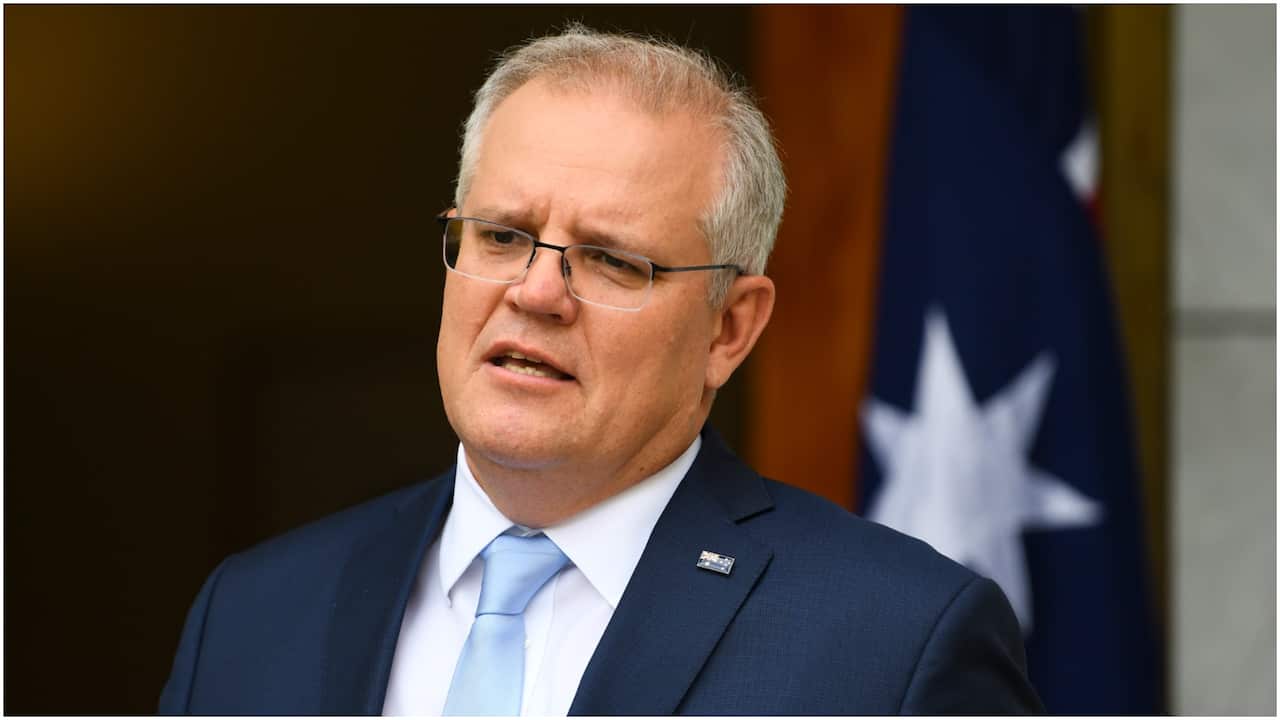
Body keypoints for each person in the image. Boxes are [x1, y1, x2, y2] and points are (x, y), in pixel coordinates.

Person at [159, 25, 1043, 715]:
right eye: (503, 236)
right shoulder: (252, 614)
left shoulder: (894, 645)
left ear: (729, 329)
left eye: (615, 260)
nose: (537, 292)